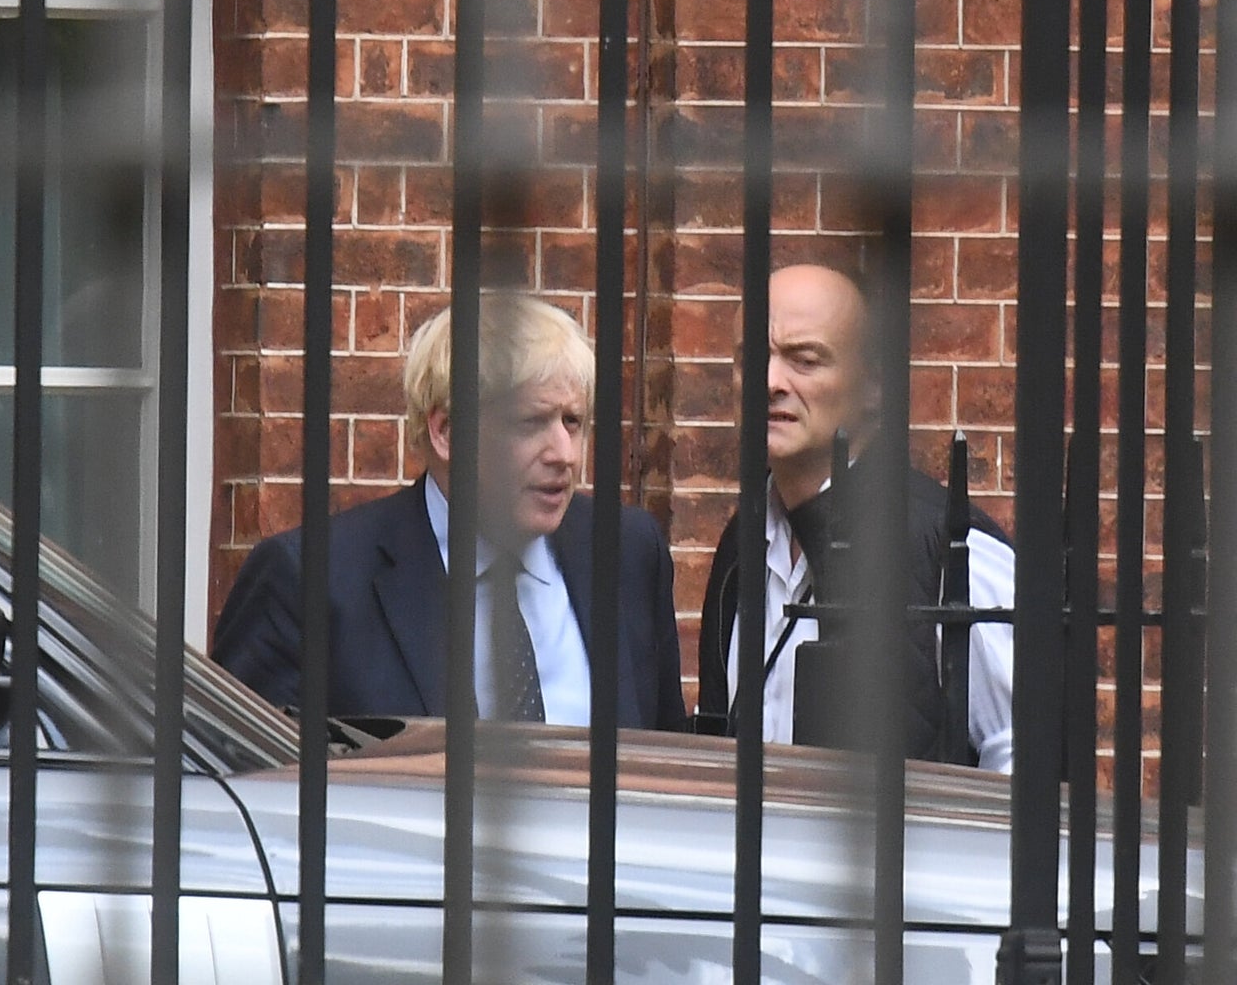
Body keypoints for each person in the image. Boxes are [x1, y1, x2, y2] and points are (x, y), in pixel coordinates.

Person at [213, 292, 687, 732]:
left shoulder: (626, 552)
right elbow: (244, 788)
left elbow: (666, 772)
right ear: (445, 432)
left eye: (573, 422)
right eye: (531, 422)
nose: (563, 453)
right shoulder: (313, 580)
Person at [697, 263, 1015, 770]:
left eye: (805, 360)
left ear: (874, 388)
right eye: (751, 357)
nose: (769, 381)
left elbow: (1021, 769)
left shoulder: (952, 549)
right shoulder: (744, 542)